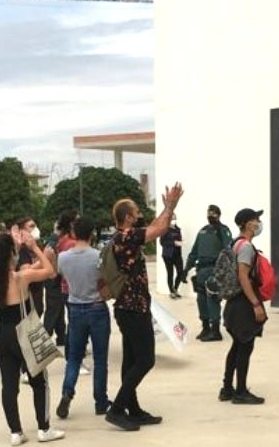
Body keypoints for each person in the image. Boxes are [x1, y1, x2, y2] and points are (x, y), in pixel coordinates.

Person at [104, 182, 184, 432]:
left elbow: (156, 226)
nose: (140, 214)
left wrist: (169, 207)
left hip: (132, 307)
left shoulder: (127, 235)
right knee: (146, 360)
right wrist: (170, 206)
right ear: (127, 217)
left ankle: (134, 410)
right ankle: (117, 409)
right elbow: (159, 229)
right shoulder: (125, 236)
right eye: (137, 211)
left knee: (131, 361)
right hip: (132, 307)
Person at [0, 229, 65, 444]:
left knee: (9, 386)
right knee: (40, 382)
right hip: (24, 332)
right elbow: (49, 270)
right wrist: (34, 247)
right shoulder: (21, 276)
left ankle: (15, 432)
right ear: (11, 254)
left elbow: (20, 263)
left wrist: (17, 246)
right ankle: (44, 428)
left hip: (2, 334)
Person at [55, 216, 111, 418]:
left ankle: (67, 391)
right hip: (96, 307)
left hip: (75, 307)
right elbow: (104, 281)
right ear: (92, 234)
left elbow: (60, 276)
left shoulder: (63, 258)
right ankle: (100, 401)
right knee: (100, 358)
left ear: (73, 233)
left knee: (74, 357)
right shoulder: (98, 256)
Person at [220, 208, 268, 405]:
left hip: (234, 303)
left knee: (237, 346)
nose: (258, 223)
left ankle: (227, 388)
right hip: (243, 303)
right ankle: (240, 391)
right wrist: (256, 304)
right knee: (245, 346)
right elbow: (243, 276)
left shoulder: (234, 243)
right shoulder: (246, 246)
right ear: (248, 224)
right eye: (256, 220)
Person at [185, 204, 233, 341]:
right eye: (209, 212)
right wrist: (186, 268)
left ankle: (215, 331)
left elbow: (228, 250)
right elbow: (194, 252)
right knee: (201, 300)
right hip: (201, 270)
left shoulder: (223, 230)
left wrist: (225, 272)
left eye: (214, 213)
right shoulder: (202, 231)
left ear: (219, 215)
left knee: (212, 299)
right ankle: (205, 328)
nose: (210, 215)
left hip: (215, 270)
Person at [44, 211, 77, 347]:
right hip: (55, 281)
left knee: (57, 312)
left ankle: (62, 338)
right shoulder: (59, 240)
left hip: (59, 281)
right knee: (53, 312)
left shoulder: (63, 238)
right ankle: (44, 344)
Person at [159, 215, 185, 298]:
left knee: (180, 271)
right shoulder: (165, 230)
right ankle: (171, 291)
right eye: (172, 219)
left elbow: (179, 239)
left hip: (177, 254)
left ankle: (175, 289)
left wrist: (181, 242)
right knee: (170, 273)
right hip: (168, 255)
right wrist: (173, 243)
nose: (174, 220)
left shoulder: (178, 229)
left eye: (175, 218)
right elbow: (162, 242)